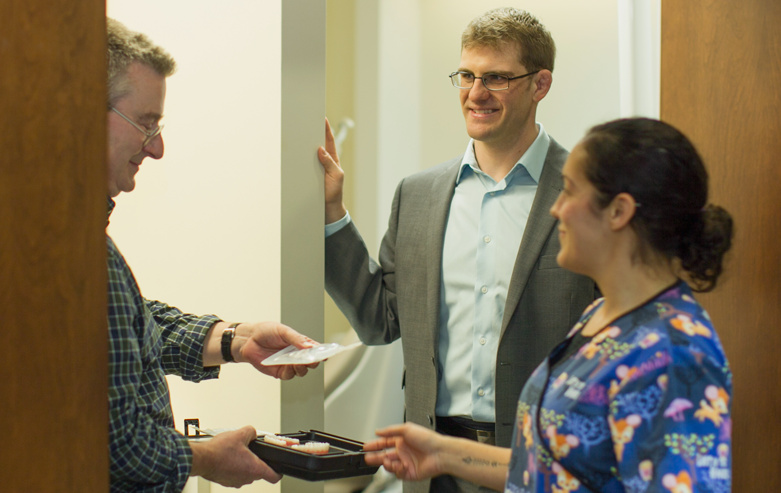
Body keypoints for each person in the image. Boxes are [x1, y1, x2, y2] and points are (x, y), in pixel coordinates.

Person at [363, 117, 734, 493]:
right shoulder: (599, 318)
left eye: (569, 191)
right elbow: (555, 466)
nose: (555, 208)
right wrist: (445, 455)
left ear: (619, 212)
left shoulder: (674, 353)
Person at [318, 7, 596, 492]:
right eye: (466, 75)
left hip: (545, 466)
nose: (475, 93)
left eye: (497, 78)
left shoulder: (588, 194)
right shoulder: (418, 194)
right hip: (433, 467)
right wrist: (330, 214)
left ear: (541, 84)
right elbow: (380, 320)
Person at [105, 18, 318, 491]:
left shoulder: (82, 239)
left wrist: (235, 340)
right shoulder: (56, 249)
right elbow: (116, 444)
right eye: (145, 124)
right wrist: (205, 458)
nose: (156, 148)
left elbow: (132, 326)